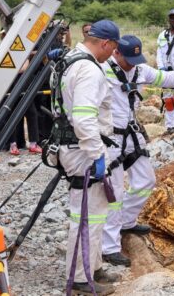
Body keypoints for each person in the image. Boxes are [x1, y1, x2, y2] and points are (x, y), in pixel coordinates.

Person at [101, 35, 174, 267]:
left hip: (130, 134)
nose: (132, 65)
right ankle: (109, 247)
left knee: (146, 180)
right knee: (114, 193)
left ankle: (126, 221)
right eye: (128, 60)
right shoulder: (101, 70)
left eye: (135, 60)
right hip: (110, 137)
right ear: (116, 53)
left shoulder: (140, 70)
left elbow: (168, 78)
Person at [53, 20, 125, 295]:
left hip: (73, 147)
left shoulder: (71, 60)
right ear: (105, 43)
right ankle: (81, 278)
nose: (112, 54)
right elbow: (84, 119)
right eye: (113, 48)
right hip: (84, 151)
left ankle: (92, 266)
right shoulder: (89, 70)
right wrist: (97, 155)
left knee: (93, 213)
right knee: (88, 215)